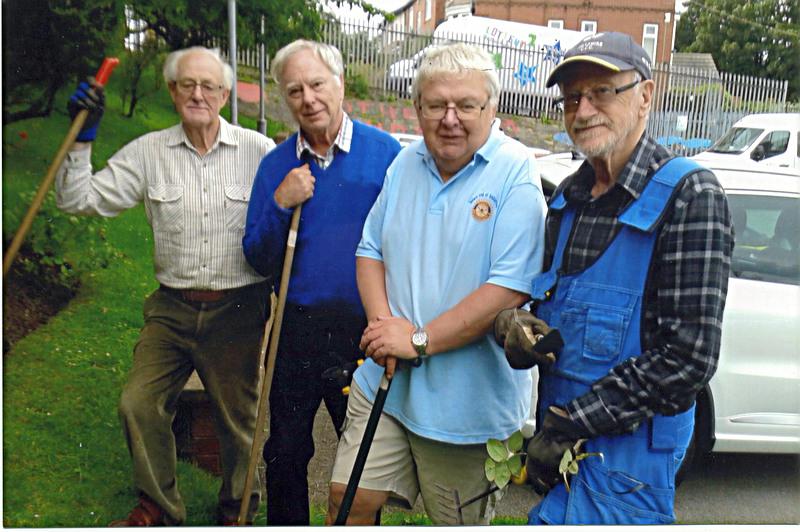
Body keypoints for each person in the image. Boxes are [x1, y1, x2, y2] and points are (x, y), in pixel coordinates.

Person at [493, 32, 734, 525]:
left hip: (628, 474)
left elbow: (688, 358)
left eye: (601, 91)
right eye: (571, 97)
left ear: (646, 95)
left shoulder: (690, 197)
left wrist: (571, 424)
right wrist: (516, 328)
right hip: (558, 455)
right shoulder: (567, 200)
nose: (582, 110)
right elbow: (559, 314)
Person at [325, 42, 548, 525]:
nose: (450, 118)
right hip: (387, 381)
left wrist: (418, 341)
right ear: (418, 108)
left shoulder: (517, 175)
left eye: (466, 105)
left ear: (492, 109)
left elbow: (510, 289)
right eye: (436, 105)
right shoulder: (406, 163)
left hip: (466, 408)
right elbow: (370, 250)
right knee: (347, 504)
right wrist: (385, 331)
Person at [55, 46, 275, 526]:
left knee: (239, 419)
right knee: (138, 402)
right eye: (187, 85)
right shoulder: (149, 152)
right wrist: (82, 139)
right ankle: (158, 505)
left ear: (224, 94)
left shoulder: (259, 153)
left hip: (237, 307)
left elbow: (290, 216)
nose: (199, 94)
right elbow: (77, 200)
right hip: (171, 309)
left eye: (209, 86)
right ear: (173, 91)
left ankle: (237, 509)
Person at [242, 40, 401, 525]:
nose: (308, 98)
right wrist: (279, 202)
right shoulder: (276, 166)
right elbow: (256, 256)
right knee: (286, 451)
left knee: (363, 461)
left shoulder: (387, 156)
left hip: (363, 328)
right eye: (295, 90)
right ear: (284, 99)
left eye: (316, 84)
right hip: (297, 326)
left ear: (340, 85)